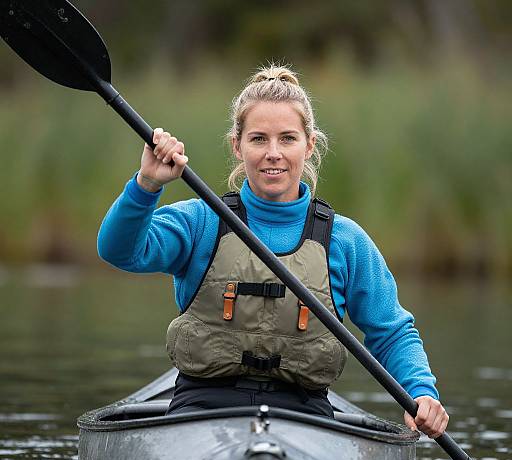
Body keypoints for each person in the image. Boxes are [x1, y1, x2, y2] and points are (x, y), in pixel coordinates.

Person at [97, 64, 449, 438]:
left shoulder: (345, 240)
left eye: (287, 139)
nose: (273, 154)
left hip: (307, 415)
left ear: (309, 144)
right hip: (199, 410)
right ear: (238, 146)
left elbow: (391, 332)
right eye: (259, 139)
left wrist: (421, 393)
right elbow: (119, 251)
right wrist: (147, 184)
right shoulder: (201, 220)